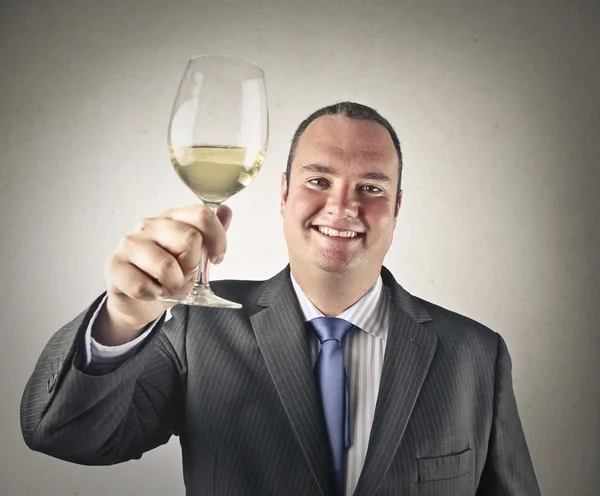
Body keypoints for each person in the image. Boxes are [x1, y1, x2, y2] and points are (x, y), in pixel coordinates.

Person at [21, 102, 541, 495]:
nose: (342, 206)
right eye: (319, 180)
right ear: (284, 193)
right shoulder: (193, 328)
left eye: (372, 188)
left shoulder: (477, 354)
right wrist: (124, 314)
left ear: (397, 206)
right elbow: (64, 436)